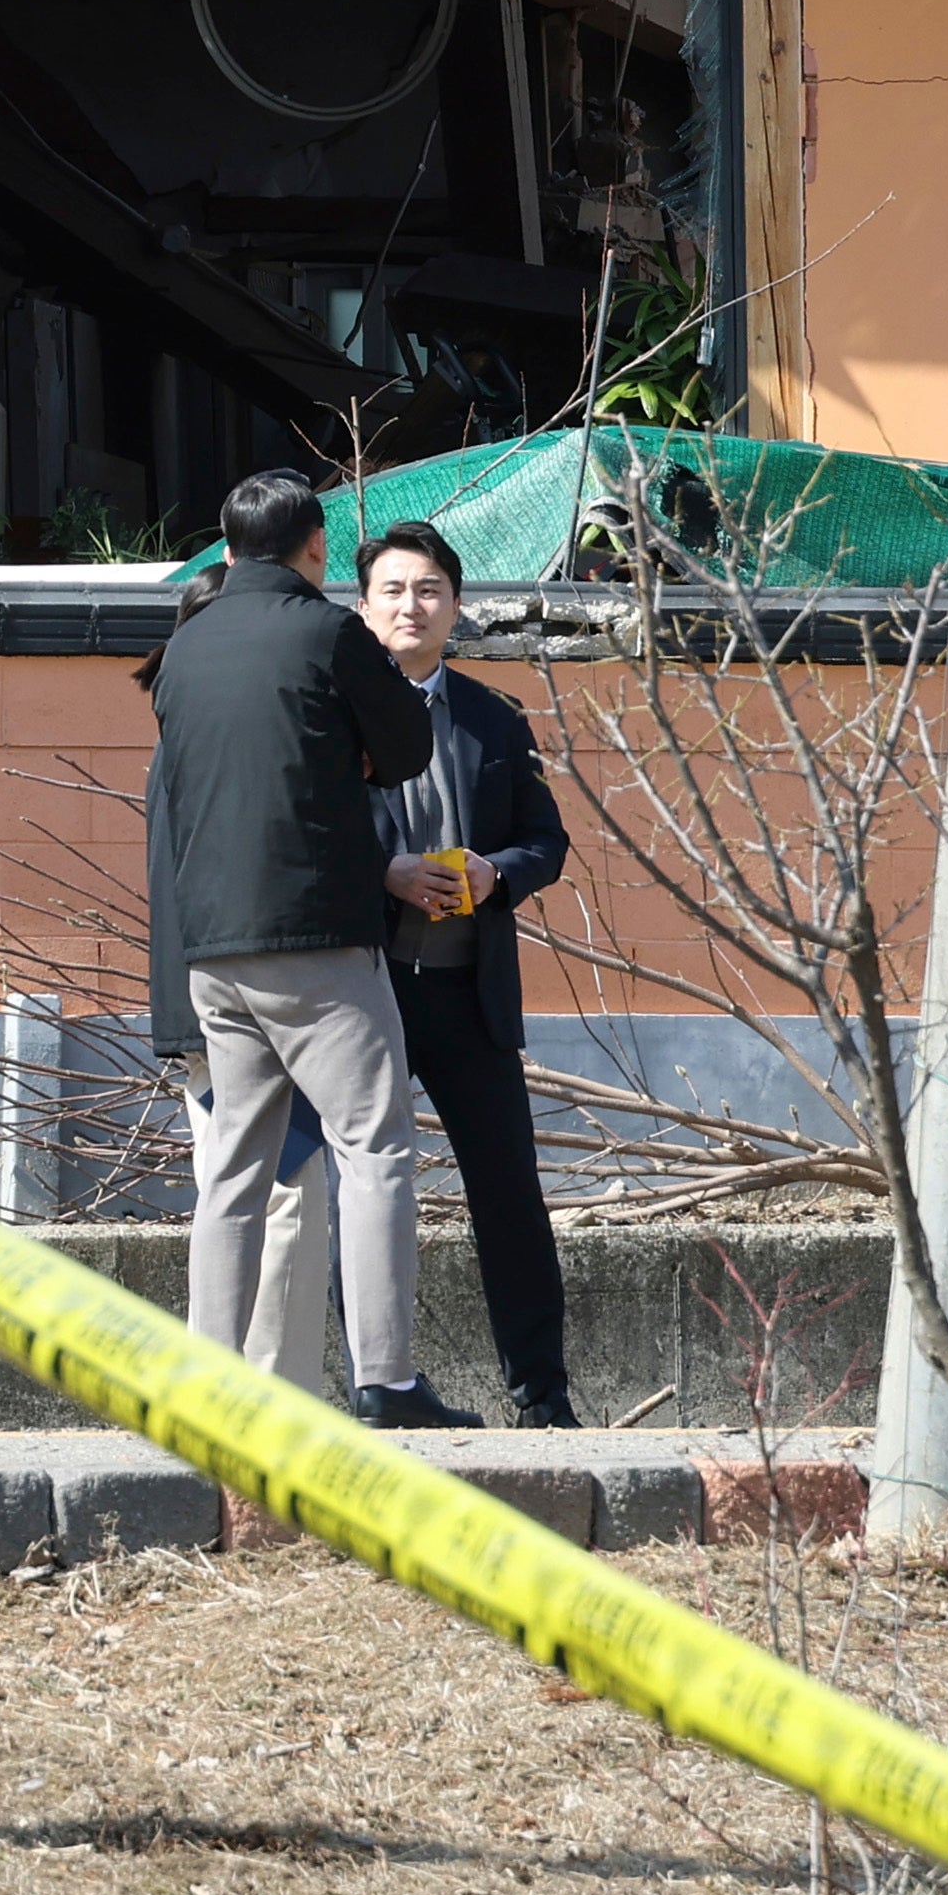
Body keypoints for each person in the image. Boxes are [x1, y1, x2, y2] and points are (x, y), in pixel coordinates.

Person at [145, 467, 462, 1430]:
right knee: (375, 1147)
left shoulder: (186, 647)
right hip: (317, 937)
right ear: (316, 550)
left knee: (234, 1167)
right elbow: (407, 746)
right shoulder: (328, 631)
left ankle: (207, 1377)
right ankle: (389, 1378)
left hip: (212, 949)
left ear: (228, 549)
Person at [346, 519, 579, 1426]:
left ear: (457, 607)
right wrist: (384, 874)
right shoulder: (329, 710)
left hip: (468, 991)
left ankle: (544, 1397)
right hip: (362, 989)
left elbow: (546, 840)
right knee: (366, 1186)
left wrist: (494, 874)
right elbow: (309, 839)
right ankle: (375, 1386)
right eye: (394, 590)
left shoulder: (494, 716)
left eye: (430, 589)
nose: (413, 605)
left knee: (510, 1195)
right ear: (363, 607)